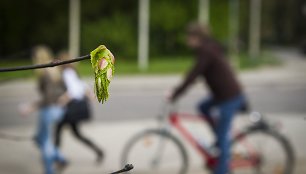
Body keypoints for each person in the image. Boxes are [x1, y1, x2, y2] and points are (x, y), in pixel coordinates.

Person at [169, 23, 246, 174]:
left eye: (189, 37)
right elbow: (195, 73)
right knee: (203, 107)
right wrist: (177, 92)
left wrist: (175, 93)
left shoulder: (207, 51)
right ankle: (218, 137)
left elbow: (193, 75)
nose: (187, 40)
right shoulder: (208, 48)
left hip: (229, 98)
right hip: (222, 96)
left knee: (223, 138)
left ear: (196, 37)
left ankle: (222, 170)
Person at [19, 46, 68, 174]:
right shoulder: (56, 69)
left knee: (45, 142)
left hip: (49, 110)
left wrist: (30, 107)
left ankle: (49, 171)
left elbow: (48, 98)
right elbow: (64, 89)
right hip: (58, 109)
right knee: (40, 138)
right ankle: (60, 158)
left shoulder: (44, 73)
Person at [54, 51, 104, 163]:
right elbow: (81, 85)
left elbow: (73, 90)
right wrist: (90, 94)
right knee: (75, 134)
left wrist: (63, 100)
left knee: (58, 129)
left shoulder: (67, 72)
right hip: (75, 108)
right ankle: (99, 151)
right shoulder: (72, 71)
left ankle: (56, 156)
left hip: (72, 108)